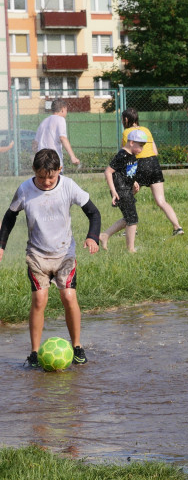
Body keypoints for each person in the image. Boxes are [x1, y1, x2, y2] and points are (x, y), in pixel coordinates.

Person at [0, 149, 101, 367]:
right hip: (37, 255)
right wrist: (1, 246)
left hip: (65, 253)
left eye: (51, 176)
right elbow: (9, 217)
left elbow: (94, 213)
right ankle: (35, 353)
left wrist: (93, 237)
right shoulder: (26, 189)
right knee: (39, 300)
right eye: (41, 177)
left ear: (59, 170)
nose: (46, 182)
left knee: (69, 296)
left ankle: (77, 347)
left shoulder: (68, 186)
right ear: (34, 171)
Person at [121, 108, 183, 235]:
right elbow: (155, 151)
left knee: (127, 198)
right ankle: (177, 227)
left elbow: (126, 155)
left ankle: (131, 228)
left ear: (126, 119)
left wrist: (130, 177)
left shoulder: (127, 132)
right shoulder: (146, 130)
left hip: (139, 164)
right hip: (154, 164)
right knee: (161, 201)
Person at [99, 130, 147, 253]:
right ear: (131, 142)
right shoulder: (122, 155)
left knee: (128, 218)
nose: (141, 149)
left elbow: (126, 172)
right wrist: (114, 191)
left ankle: (105, 235)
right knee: (132, 219)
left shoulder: (131, 155)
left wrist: (134, 181)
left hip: (126, 188)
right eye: (140, 146)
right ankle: (130, 249)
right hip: (121, 190)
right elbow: (108, 172)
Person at [32, 97, 80, 168]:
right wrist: (72, 157)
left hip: (42, 164)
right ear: (63, 109)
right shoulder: (60, 119)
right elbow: (63, 138)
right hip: (54, 162)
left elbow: (34, 144)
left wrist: (39, 158)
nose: (66, 113)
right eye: (66, 110)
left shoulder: (44, 122)